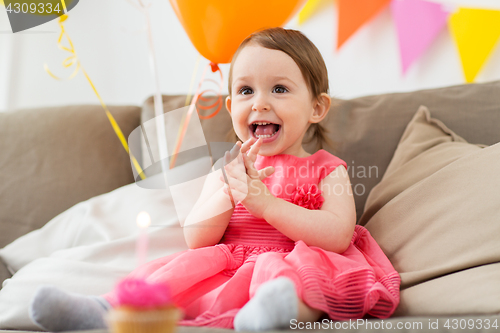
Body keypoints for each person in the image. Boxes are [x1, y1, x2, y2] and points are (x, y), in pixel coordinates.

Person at [29, 27, 400, 332]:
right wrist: (225, 193)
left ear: (317, 108)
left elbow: (337, 234)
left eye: (280, 89)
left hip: (295, 259)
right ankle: (104, 310)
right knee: (173, 271)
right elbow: (197, 238)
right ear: (230, 107)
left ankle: (273, 315)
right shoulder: (227, 167)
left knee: (287, 277)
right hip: (231, 267)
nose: (260, 103)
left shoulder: (326, 167)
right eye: (245, 90)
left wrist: (267, 205)